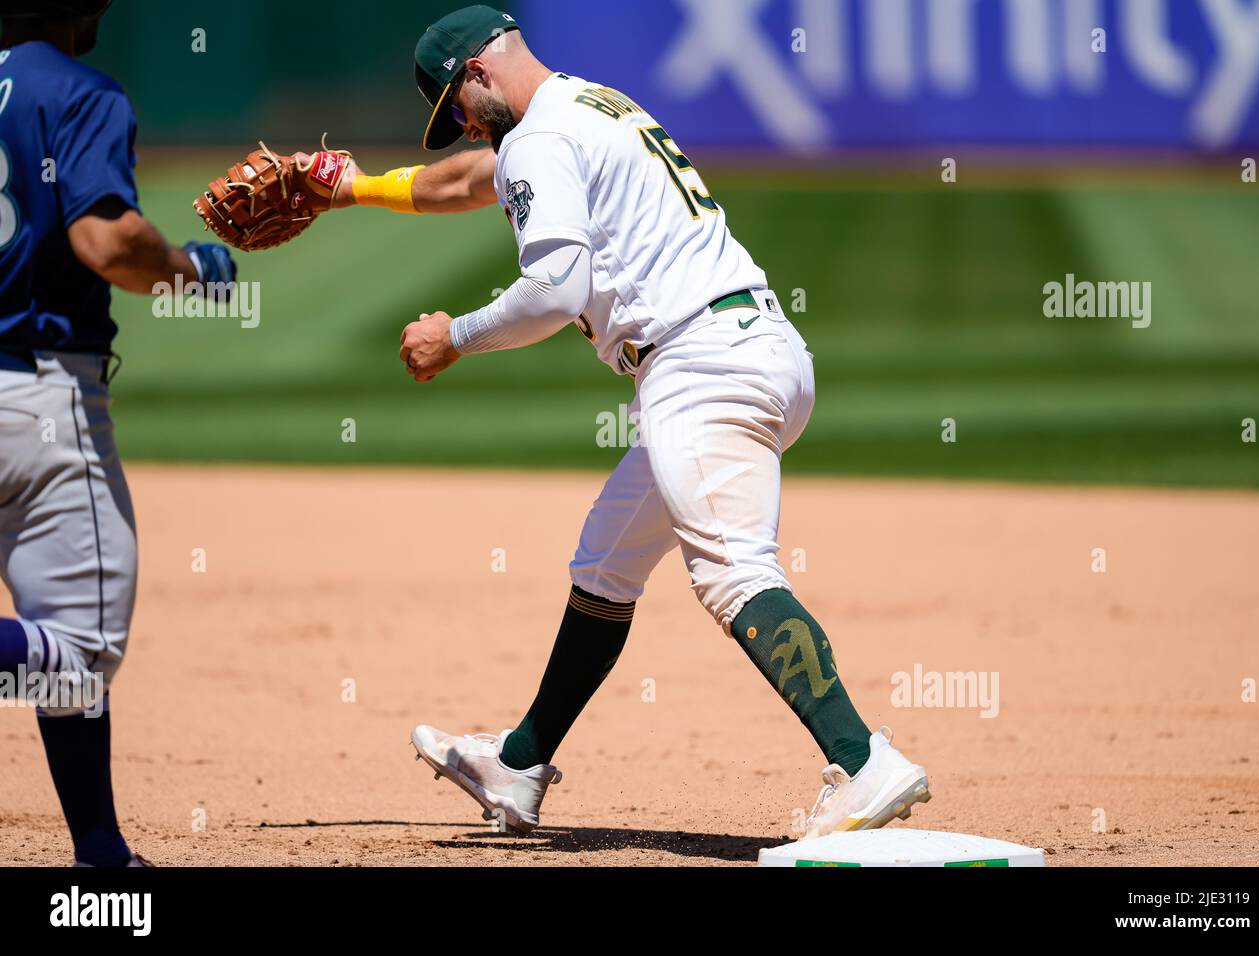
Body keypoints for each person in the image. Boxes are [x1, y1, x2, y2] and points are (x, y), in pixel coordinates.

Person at [330, 5, 930, 839]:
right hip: (745, 346)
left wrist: (453, 337)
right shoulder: (586, 105)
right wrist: (352, 187)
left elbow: (554, 292)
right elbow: (471, 182)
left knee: (732, 570)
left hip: (700, 363)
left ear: (476, 70)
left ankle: (865, 762)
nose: (462, 127)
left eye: (457, 108)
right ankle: (520, 765)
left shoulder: (538, 139)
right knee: (607, 561)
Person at [0, 0, 235, 866]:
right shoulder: (78, 92)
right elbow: (106, 239)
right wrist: (190, 267)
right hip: (38, 402)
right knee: (80, 650)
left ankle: (102, 859)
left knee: (57, 647)